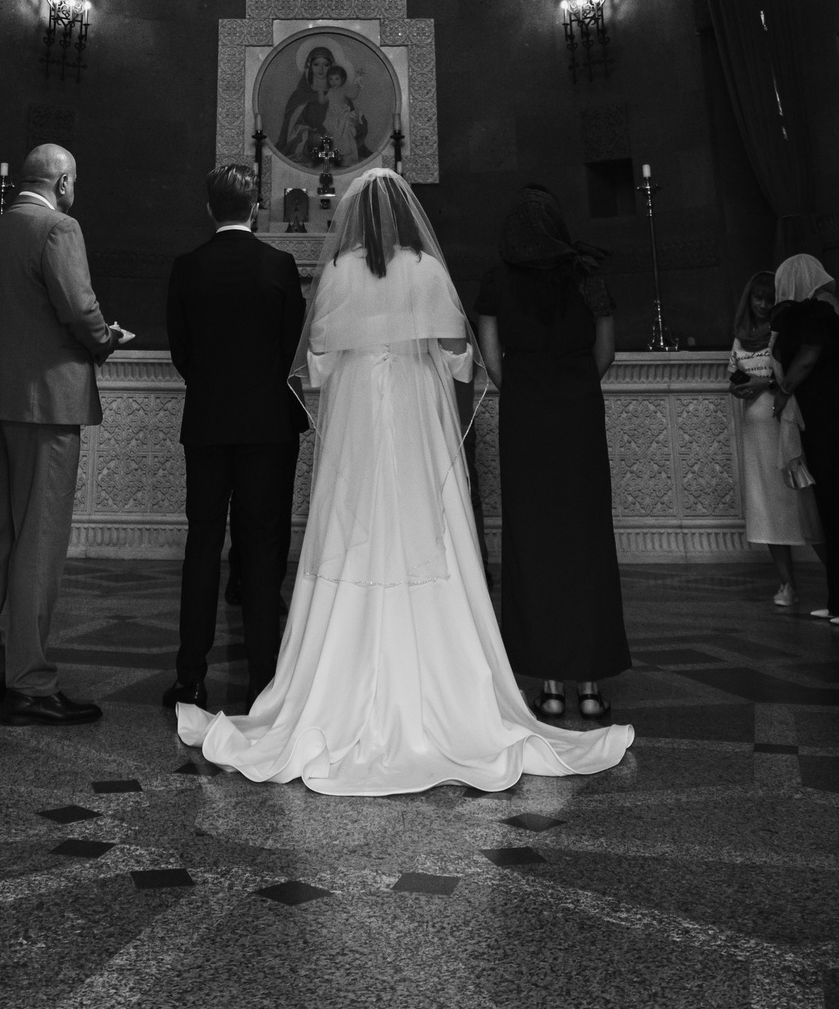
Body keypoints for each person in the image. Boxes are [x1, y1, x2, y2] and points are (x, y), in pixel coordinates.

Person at [176, 171, 633, 792]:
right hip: (417, 417)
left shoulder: (339, 272)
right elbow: (459, 354)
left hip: (360, 419)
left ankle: (336, 679)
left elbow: (317, 359)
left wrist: (359, 356)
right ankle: (448, 685)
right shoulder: (427, 268)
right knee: (425, 525)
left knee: (354, 526)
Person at [0, 145, 131, 724]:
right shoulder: (59, 228)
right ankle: (30, 683)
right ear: (61, 183)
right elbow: (79, 309)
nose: (75, 191)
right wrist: (106, 339)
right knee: (39, 540)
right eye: (74, 182)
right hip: (47, 404)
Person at [474, 189, 631, 719]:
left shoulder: (496, 283)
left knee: (534, 542)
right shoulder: (588, 276)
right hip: (579, 418)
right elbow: (605, 352)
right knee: (586, 541)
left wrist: (529, 391)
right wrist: (573, 388)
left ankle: (550, 685)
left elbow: (492, 362)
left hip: (527, 420)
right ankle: (589, 686)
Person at [163, 162, 308, 712]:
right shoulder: (279, 265)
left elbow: (181, 350)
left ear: (209, 208)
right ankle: (262, 682)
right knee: (262, 547)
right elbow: (291, 348)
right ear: (256, 208)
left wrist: (211, 387)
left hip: (206, 423)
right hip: (268, 426)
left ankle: (190, 678)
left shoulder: (187, 267)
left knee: (202, 544)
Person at [772, 254, 839, 626]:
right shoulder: (825, 311)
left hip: (828, 419)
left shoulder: (815, 312)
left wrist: (784, 389)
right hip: (821, 420)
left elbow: (809, 354)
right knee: (833, 509)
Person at [728, 267, 808, 608]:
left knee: (799, 501)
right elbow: (734, 375)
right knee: (767, 507)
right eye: (757, 299)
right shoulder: (741, 338)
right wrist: (740, 387)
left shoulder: (782, 333)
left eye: (768, 299)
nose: (762, 305)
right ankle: (786, 582)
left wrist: (763, 383)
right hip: (755, 431)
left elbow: (792, 376)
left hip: (784, 425)